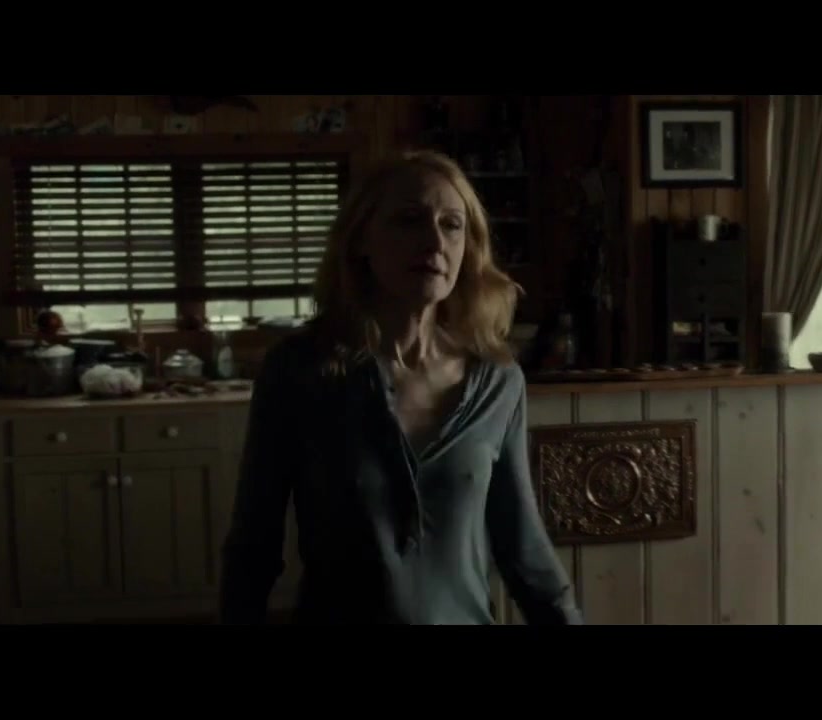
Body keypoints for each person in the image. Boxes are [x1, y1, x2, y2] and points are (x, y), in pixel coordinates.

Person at [218, 149, 582, 625]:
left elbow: (523, 546)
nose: (434, 241)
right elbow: (254, 543)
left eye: (452, 225)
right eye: (409, 220)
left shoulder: (497, 381)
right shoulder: (301, 371)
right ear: (361, 241)